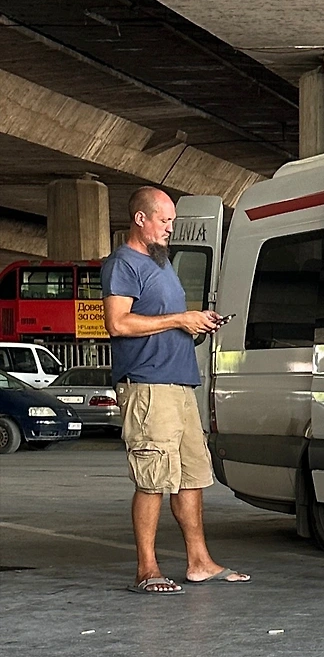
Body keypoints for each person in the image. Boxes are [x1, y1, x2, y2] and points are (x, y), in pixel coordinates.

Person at [102, 186, 250, 595]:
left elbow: (166, 318)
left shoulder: (162, 262)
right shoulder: (122, 263)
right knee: (152, 477)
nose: (170, 228)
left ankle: (199, 562)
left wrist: (197, 320)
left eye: (172, 220)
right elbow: (118, 323)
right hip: (148, 386)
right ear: (141, 219)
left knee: (191, 476)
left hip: (180, 382)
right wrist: (179, 320)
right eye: (164, 220)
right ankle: (146, 569)